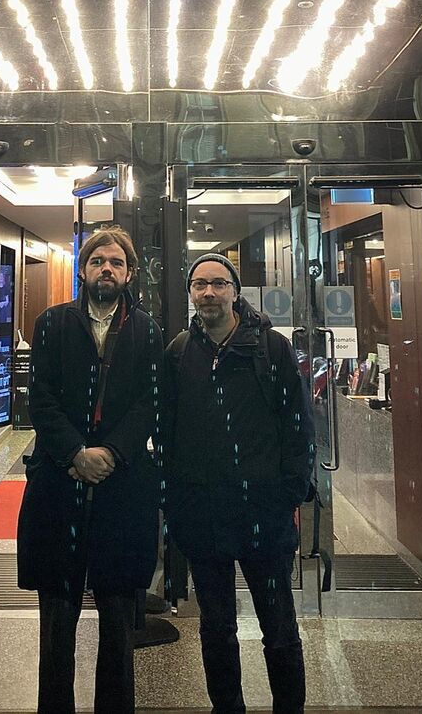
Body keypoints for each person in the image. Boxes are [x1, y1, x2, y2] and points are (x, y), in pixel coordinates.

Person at [17, 226, 163, 714]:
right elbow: (41, 398)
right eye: (98, 261)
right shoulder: (51, 323)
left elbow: (149, 402)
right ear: (83, 270)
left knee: (119, 621)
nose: (107, 269)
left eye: (116, 262)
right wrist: (77, 453)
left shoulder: (147, 331)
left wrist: (112, 453)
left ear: (129, 273)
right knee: (57, 622)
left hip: (122, 489)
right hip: (60, 483)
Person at [164, 254, 315, 714]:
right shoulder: (179, 352)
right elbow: (167, 429)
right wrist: (175, 498)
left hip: (263, 515)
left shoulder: (271, 347)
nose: (208, 292)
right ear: (191, 293)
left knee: (279, 627)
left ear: (235, 291)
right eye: (199, 285)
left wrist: (290, 492)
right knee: (215, 628)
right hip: (203, 515)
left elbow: (298, 424)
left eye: (218, 284)